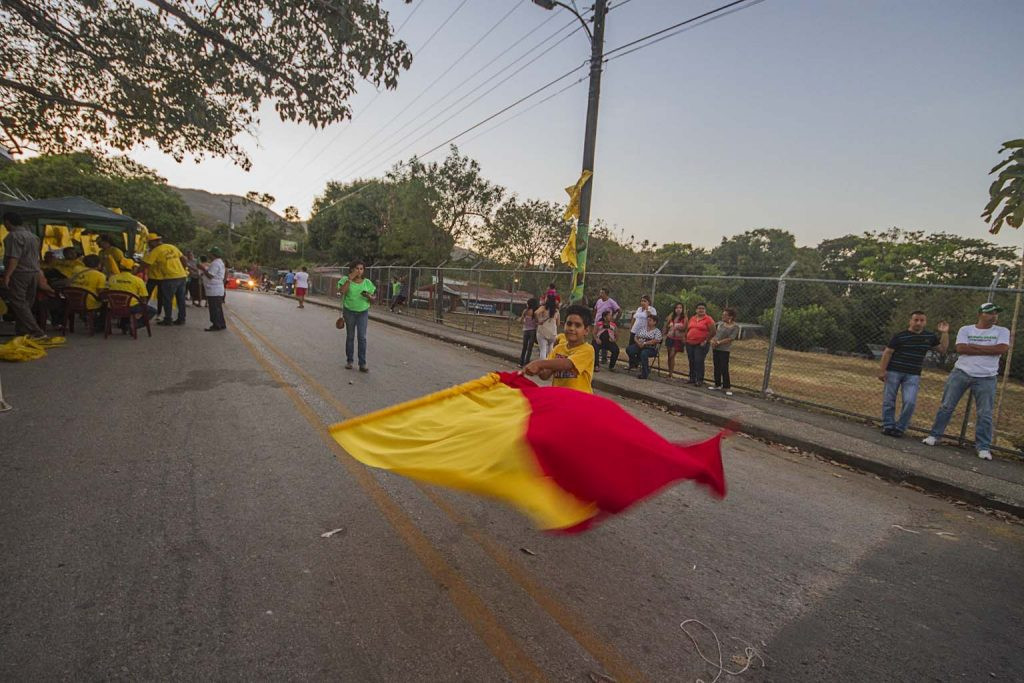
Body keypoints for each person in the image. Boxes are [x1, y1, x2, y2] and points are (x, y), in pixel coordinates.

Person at [922, 303, 1010, 460]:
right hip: (961, 373)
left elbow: (1001, 349)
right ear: (980, 314)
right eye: (990, 313)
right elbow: (961, 349)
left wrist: (974, 347)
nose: (994, 316)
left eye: (996, 313)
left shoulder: (1002, 331)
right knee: (947, 406)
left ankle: (983, 447)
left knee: (985, 413)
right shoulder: (966, 329)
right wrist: (989, 349)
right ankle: (934, 435)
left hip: (987, 376)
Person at [877, 311, 950, 437]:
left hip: (913, 374)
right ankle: (888, 425)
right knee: (889, 400)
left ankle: (900, 428)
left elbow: (942, 349)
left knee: (910, 402)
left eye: (922, 320)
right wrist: (882, 371)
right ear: (910, 321)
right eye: (916, 320)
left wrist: (945, 333)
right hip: (894, 371)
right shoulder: (900, 336)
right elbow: (888, 352)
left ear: (925, 322)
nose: (918, 323)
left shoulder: (929, 337)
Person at [1, 211, 53, 338]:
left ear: (7, 222)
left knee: (18, 303)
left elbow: (14, 258)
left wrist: (7, 276)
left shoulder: (13, 236)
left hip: (19, 273)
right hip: (33, 272)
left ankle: (36, 331)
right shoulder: (33, 237)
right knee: (27, 303)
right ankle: (22, 330)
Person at [523, 304, 595, 393]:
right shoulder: (558, 349)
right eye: (569, 324)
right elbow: (545, 375)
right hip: (559, 397)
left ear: (586, 331)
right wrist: (538, 371)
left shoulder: (588, 350)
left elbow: (568, 364)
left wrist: (539, 364)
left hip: (579, 399)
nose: (572, 328)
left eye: (577, 325)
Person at [140, 233, 189, 326]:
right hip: (182, 276)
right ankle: (181, 319)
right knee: (181, 299)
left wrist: (135, 272)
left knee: (167, 299)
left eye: (149, 243)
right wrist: (183, 269)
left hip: (169, 278)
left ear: (153, 242)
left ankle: (168, 319)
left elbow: (146, 264)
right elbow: (184, 259)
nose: (148, 245)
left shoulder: (155, 251)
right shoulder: (172, 247)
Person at [339, 261, 376, 371]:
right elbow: (342, 292)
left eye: (361, 269)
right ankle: (349, 361)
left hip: (363, 312)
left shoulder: (367, 282)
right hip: (349, 311)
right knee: (350, 336)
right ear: (352, 269)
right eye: (357, 268)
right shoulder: (345, 279)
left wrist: (369, 296)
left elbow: (374, 299)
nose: (359, 271)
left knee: (362, 337)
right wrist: (349, 279)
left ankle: (362, 363)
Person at [106, 266, 157, 331]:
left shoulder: (112, 278)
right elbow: (143, 297)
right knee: (152, 311)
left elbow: (107, 290)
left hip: (113, 306)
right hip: (131, 307)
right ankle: (134, 325)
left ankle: (124, 324)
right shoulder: (138, 280)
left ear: (120, 268)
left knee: (126, 305)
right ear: (132, 269)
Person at [68, 254, 108, 330]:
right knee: (106, 304)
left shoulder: (76, 269)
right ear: (98, 264)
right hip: (88, 303)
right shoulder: (100, 275)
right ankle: (99, 326)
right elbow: (101, 292)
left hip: (72, 301)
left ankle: (85, 318)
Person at [710, 307, 740, 395]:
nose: (723, 316)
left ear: (730, 317)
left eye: (725, 315)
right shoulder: (720, 324)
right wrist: (713, 341)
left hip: (724, 349)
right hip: (716, 348)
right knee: (716, 367)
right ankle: (717, 384)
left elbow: (731, 338)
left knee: (724, 368)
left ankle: (726, 387)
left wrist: (719, 342)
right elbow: (716, 334)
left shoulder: (735, 327)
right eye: (723, 314)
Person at [685, 303, 715, 386]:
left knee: (699, 361)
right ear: (696, 310)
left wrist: (706, 340)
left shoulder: (708, 319)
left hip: (701, 344)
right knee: (691, 361)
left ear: (705, 310)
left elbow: (713, 331)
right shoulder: (693, 318)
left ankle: (699, 379)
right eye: (699, 308)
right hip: (690, 343)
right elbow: (688, 329)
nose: (701, 310)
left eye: (703, 308)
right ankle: (692, 378)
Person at [198, 247, 226, 331]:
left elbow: (210, 275)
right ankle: (221, 324)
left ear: (214, 254)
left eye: (210, 253)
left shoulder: (215, 263)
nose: (209, 255)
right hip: (216, 289)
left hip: (214, 289)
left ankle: (216, 325)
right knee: (218, 308)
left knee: (214, 308)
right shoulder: (219, 262)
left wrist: (203, 268)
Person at [627, 313, 662, 379]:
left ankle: (644, 374)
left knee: (644, 353)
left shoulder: (657, 331)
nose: (648, 322)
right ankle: (636, 362)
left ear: (654, 322)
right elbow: (636, 337)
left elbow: (656, 340)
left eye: (650, 320)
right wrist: (638, 343)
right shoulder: (642, 329)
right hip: (639, 345)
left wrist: (645, 343)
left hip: (651, 348)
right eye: (647, 320)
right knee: (629, 349)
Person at [592, 287, 621, 366]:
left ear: (606, 294)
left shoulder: (611, 302)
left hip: (607, 323)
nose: (600, 294)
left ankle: (605, 360)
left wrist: (614, 320)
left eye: (602, 293)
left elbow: (619, 310)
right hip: (598, 322)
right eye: (600, 292)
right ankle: (596, 363)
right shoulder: (599, 301)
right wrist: (594, 318)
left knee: (607, 338)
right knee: (596, 341)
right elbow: (595, 309)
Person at [628, 296, 657, 366]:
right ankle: (632, 364)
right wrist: (631, 327)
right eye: (642, 301)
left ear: (648, 302)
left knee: (640, 348)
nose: (643, 303)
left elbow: (653, 320)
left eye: (645, 301)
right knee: (630, 349)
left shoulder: (652, 309)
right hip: (634, 331)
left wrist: (649, 314)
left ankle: (638, 362)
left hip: (643, 333)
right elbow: (634, 318)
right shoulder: (639, 309)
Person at [664, 303, 687, 377]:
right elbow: (666, 326)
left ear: (682, 309)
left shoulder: (684, 318)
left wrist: (676, 326)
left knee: (672, 355)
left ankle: (671, 373)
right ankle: (669, 373)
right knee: (669, 356)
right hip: (670, 337)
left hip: (678, 339)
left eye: (680, 308)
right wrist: (667, 327)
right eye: (677, 308)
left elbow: (685, 328)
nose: (678, 309)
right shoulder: (671, 316)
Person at [535, 294, 560, 362]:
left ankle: (543, 365)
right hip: (553, 333)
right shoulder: (556, 311)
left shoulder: (544, 308)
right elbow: (558, 323)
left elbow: (536, 313)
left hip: (543, 331)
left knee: (543, 350)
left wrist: (539, 321)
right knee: (551, 350)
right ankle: (549, 365)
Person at [518, 296, 539, 367]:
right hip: (533, 331)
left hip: (525, 330)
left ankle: (521, 363)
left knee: (524, 347)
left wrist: (525, 322)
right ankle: (526, 363)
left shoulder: (525, 311)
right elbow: (537, 322)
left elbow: (521, 321)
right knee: (530, 348)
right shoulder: (535, 312)